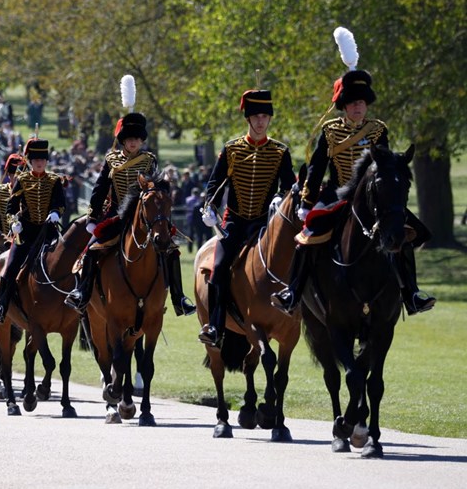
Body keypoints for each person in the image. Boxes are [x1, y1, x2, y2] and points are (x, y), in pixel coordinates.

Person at [274, 36, 434, 316]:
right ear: (344, 106)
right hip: (338, 196)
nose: (358, 107)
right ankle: (293, 292)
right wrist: (307, 202)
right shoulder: (330, 130)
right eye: (352, 103)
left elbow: (383, 163)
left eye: (361, 102)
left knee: (402, 234)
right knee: (306, 239)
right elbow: (316, 168)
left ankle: (411, 293)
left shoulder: (377, 129)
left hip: (373, 197)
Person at [65, 110, 195, 316]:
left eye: (136, 139)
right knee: (90, 250)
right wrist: (92, 216)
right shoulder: (111, 160)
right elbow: (99, 190)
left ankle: (179, 298)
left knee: (171, 250)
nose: (133, 143)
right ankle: (82, 293)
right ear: (123, 140)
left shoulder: (149, 160)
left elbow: (159, 188)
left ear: (142, 140)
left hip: (145, 217)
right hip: (116, 216)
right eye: (129, 139)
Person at [198, 90, 295, 347]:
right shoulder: (231, 149)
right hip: (235, 221)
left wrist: (281, 200)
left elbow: (290, 188)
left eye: (265, 116)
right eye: (256, 116)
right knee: (218, 269)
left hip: (265, 222)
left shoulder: (280, 152)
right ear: (248, 119)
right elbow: (215, 183)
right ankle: (215, 326)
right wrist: (210, 207)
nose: (261, 121)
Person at [0, 138, 66, 324]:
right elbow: (10, 208)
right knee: (10, 268)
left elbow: (60, 203)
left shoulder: (54, 180)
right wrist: (14, 222)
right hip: (26, 232)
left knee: (68, 262)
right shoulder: (22, 180)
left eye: (43, 159)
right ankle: (2, 305)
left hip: (48, 232)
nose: (40, 162)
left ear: (46, 161)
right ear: (30, 161)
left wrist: (56, 212)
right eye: (36, 159)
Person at [0, 154, 25, 234]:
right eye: (14, 175)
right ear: (8, 174)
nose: (18, 179)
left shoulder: (29, 192)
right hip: (2, 237)